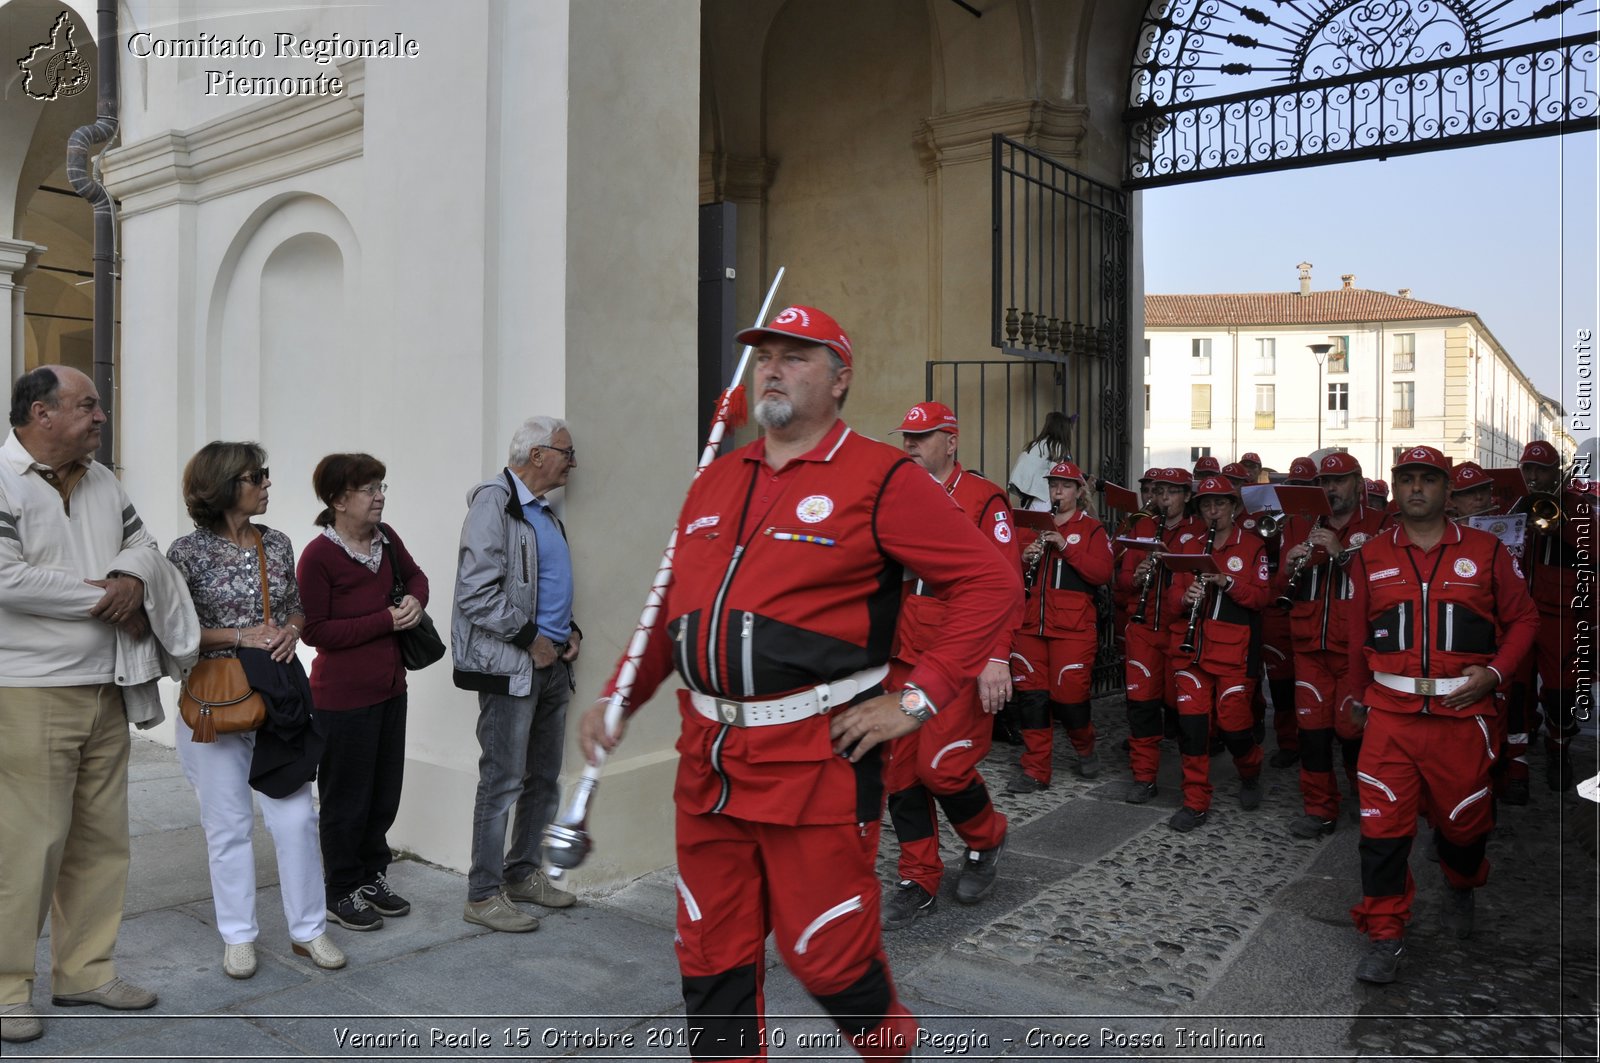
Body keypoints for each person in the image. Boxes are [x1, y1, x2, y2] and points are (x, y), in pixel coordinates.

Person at [579, 306, 1021, 1060]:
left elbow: (990, 581)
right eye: (764, 357)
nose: (773, 369)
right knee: (709, 955)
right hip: (708, 763)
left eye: (797, 357)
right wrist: (622, 691)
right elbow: (671, 604)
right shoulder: (716, 478)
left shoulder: (883, 477)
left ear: (841, 378)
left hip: (814, 763)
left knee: (830, 959)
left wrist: (918, 697)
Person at [0, 367, 164, 1044]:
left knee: (102, 840)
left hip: (106, 684)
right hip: (30, 687)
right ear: (41, 412)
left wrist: (132, 576)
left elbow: (147, 546)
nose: (101, 416)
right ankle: (8, 988)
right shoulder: (4, 477)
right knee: (28, 846)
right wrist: (107, 594)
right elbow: (6, 576)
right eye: (87, 405)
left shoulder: (103, 481)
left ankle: (85, 970)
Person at [1345, 446, 1538, 984]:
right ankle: (1384, 934)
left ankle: (1463, 881)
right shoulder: (1371, 555)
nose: (1416, 489)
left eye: (1428, 480)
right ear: (1395, 486)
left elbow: (1524, 621)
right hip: (1391, 716)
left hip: (1462, 715)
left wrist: (1495, 674)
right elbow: (1357, 632)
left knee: (1463, 828)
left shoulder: (1488, 550)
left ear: (1446, 490)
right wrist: (1358, 698)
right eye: (1406, 479)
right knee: (1381, 830)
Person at [166, 442, 345, 980]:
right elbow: (177, 633)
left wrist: (291, 631)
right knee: (228, 826)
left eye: (264, 475)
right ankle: (238, 937)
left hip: (278, 699)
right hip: (214, 706)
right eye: (255, 476)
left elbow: (296, 607)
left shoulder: (278, 543)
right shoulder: (186, 553)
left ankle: (309, 930)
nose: (266, 484)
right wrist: (242, 635)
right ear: (224, 486)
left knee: (295, 820)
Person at [880, 402, 1016, 930]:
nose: (910, 445)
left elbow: (1005, 584)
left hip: (958, 655)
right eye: (906, 436)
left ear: (951, 441)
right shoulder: (897, 498)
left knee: (942, 766)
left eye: (922, 436)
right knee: (898, 770)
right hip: (901, 653)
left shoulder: (984, 500)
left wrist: (997, 656)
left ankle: (987, 838)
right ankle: (918, 877)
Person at [451, 416, 581, 933]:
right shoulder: (494, 504)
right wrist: (532, 640)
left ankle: (523, 872)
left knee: (542, 779)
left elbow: (545, 587)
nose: (574, 462)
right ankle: (483, 894)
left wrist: (568, 631)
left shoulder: (542, 512)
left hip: (550, 665)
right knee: (502, 780)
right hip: (513, 666)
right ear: (538, 456)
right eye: (568, 453)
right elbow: (475, 592)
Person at [297, 454, 429, 931]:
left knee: (382, 794)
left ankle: (373, 874)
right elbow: (315, 631)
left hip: (392, 689)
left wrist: (415, 599)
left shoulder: (386, 539)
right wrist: (384, 621)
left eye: (381, 486)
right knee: (345, 799)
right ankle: (340, 888)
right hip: (342, 699)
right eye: (368, 489)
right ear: (338, 500)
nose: (379, 496)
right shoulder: (319, 556)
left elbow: (416, 577)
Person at [1275, 452, 1387, 837]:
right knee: (1313, 732)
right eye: (1325, 481)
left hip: (1353, 650)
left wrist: (1341, 556)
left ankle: (1365, 797)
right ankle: (1319, 808)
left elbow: (1384, 584)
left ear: (1358, 482)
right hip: (1309, 646)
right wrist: (1289, 565)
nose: (1331, 489)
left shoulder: (1378, 525)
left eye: (1339, 481)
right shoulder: (1302, 525)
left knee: (1352, 731)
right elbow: (1277, 587)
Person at [1162, 476, 1269, 831]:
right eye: (1206, 504)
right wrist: (1184, 597)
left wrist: (1228, 582)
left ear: (1233, 507)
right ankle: (1195, 802)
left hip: (1234, 651)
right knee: (1192, 730)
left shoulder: (1252, 545)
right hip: (1191, 651)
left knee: (1235, 728)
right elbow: (1169, 602)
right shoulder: (1188, 546)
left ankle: (1250, 770)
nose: (1212, 510)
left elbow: (1261, 598)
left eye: (1220, 503)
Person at [1009, 460, 1113, 792]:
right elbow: (1007, 568)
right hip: (1030, 626)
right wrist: (1027, 555)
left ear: (1078, 491)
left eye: (1065, 486)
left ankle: (1085, 746)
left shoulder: (1092, 529)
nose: (1058, 491)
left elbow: (1101, 573)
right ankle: (1035, 769)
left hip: (1072, 627)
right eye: (1053, 485)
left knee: (1069, 699)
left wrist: (1066, 548)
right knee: (1032, 699)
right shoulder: (1033, 526)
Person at [1122, 467, 1204, 802]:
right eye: (1160, 492)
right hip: (1143, 629)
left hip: (1180, 628)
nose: (1164, 498)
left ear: (1186, 496)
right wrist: (1138, 576)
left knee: (1183, 710)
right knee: (1141, 706)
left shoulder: (1199, 531)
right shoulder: (1142, 527)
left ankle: (1194, 786)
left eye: (1172, 492)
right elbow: (1123, 580)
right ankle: (1144, 777)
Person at [1515, 440, 1593, 791]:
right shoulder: (1516, 503)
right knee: (1517, 690)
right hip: (1518, 611)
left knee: (1561, 693)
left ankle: (1558, 751)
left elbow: (1595, 548)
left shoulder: (1578, 505)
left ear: (1555, 470)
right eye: (1527, 469)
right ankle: (1517, 759)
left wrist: (1557, 524)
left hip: (1559, 613)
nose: (1533, 476)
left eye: (1540, 469)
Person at [1007, 411, 1073, 511]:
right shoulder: (1057, 447)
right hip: (1044, 499)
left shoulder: (1035, 445)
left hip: (1029, 499)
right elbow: (1058, 476)